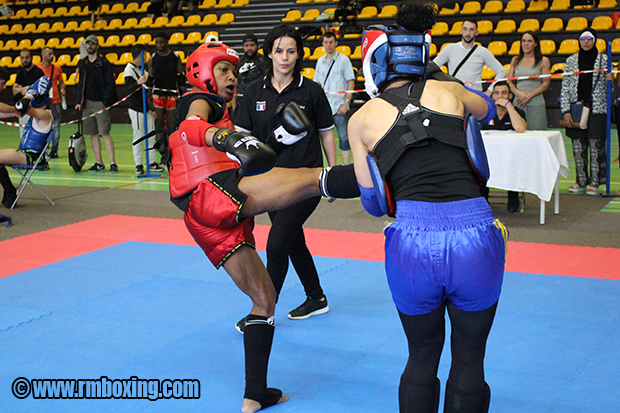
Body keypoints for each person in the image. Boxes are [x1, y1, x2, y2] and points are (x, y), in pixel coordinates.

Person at [162, 42, 357, 413]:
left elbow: (246, 162)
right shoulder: (198, 101)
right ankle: (388, 178)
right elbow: (191, 128)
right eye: (223, 70)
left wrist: (276, 138)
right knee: (310, 179)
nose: (231, 77)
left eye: (234, 72)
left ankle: (255, 394)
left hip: (204, 217)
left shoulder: (224, 116)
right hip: (213, 194)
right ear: (202, 71)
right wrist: (224, 136)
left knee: (264, 299)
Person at [350, 3, 508, 412]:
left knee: (421, 356)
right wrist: (444, 82)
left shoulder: (360, 119)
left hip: (411, 241)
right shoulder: (452, 91)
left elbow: (372, 203)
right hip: (475, 235)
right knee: (471, 358)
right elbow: (489, 110)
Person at [235, 24, 337, 327]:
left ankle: (263, 309)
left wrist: (331, 175)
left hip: (305, 181)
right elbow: (242, 134)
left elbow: (327, 133)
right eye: (279, 50)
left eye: (291, 51)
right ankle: (316, 296)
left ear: (298, 55)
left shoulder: (311, 90)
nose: (284, 57)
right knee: (294, 242)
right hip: (268, 184)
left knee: (277, 245)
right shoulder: (254, 91)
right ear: (269, 53)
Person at [560, 28, 608, 196]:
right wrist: (565, 110)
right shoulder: (571, 60)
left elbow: (610, 84)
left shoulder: (604, 60)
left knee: (596, 147)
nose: (586, 42)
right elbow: (565, 86)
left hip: (597, 109)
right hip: (576, 108)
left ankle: (596, 181)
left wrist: (610, 79)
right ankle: (581, 181)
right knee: (578, 147)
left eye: (589, 38)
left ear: (595, 40)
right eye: (583, 39)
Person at [0, 69, 53, 208]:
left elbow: (27, 108)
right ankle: (10, 190)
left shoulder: (45, 115)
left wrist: (27, 97)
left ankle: (11, 191)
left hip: (31, 157)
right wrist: (26, 96)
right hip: (24, 153)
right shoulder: (37, 115)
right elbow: (20, 109)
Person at [481, 81, 527, 212]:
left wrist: (508, 106)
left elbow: (520, 128)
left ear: (510, 96)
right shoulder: (486, 112)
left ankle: (513, 196)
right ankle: (484, 197)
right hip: (490, 155)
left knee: (513, 165)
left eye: (504, 93)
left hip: (511, 155)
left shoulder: (518, 112)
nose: (500, 96)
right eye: (496, 93)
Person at [75, 34, 119, 173]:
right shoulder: (83, 64)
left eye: (92, 44)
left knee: (104, 133)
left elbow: (110, 84)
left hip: (100, 103)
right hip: (87, 103)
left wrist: (105, 101)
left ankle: (113, 163)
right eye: (88, 44)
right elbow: (80, 83)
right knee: (92, 134)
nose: (90, 46)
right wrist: (79, 101)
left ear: (97, 46)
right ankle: (99, 162)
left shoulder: (104, 63)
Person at [313, 31, 356, 165]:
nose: (328, 45)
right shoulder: (320, 61)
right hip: (324, 107)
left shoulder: (344, 60)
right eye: (326, 42)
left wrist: (346, 103)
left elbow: (351, 81)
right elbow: (317, 84)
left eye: (331, 42)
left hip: (339, 106)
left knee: (343, 137)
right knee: (323, 138)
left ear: (336, 43)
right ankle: (330, 167)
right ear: (323, 44)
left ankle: (345, 166)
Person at [433, 19, 507, 92]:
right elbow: (433, 66)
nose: (468, 33)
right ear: (461, 31)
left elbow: (501, 71)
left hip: (475, 94)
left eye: (471, 30)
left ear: (476, 32)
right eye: (465, 29)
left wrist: (489, 91)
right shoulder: (449, 49)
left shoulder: (483, 52)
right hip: (455, 92)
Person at [124, 44, 164, 175]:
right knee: (138, 136)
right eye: (145, 55)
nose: (146, 58)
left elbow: (147, 93)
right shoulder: (129, 70)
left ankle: (151, 162)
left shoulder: (143, 71)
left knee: (150, 136)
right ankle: (139, 164)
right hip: (136, 109)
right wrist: (138, 83)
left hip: (146, 109)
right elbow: (129, 91)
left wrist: (152, 109)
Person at [507, 31, 550, 131]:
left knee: (537, 133)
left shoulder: (543, 61)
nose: (526, 44)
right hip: (518, 101)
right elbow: (509, 81)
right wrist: (518, 93)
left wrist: (529, 95)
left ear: (535, 44)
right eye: (524, 41)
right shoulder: (515, 60)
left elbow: (546, 83)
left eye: (529, 41)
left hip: (536, 102)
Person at [147, 32, 184, 140]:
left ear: (167, 42)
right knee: (158, 121)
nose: (159, 45)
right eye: (157, 43)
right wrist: (148, 94)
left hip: (172, 93)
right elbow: (150, 77)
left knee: (171, 122)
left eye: (161, 42)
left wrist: (182, 92)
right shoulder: (152, 58)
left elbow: (180, 76)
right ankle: (160, 145)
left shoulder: (175, 57)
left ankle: (171, 143)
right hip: (158, 94)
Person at [37, 47, 66, 159]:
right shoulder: (37, 69)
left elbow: (61, 82)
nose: (52, 56)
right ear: (43, 55)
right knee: (42, 126)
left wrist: (62, 89)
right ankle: (43, 148)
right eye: (50, 54)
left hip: (55, 101)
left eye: (52, 53)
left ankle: (54, 149)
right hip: (42, 102)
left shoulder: (57, 68)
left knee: (56, 126)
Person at [12, 49, 44, 139]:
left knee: (38, 135)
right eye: (22, 58)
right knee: (23, 135)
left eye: (27, 57)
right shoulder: (20, 73)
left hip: (36, 108)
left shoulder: (38, 72)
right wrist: (27, 88)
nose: (25, 60)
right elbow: (14, 90)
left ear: (32, 58)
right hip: (24, 109)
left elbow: (41, 90)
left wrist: (24, 89)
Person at [231, 33, 266, 117]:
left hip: (259, 103)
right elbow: (234, 83)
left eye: (252, 45)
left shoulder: (264, 61)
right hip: (241, 103)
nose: (249, 48)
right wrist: (234, 105)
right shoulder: (239, 62)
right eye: (246, 45)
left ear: (257, 46)